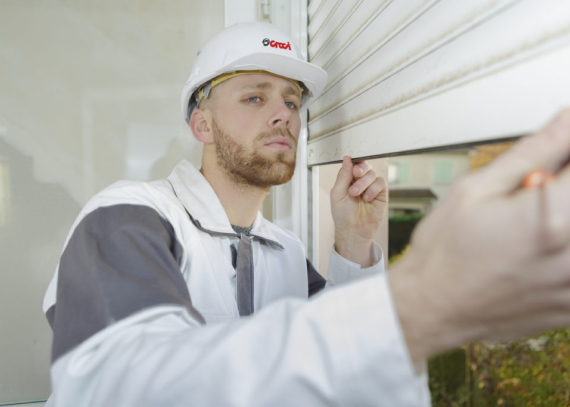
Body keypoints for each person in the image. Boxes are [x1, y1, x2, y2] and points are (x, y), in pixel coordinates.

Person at [42, 21, 570, 406]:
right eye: (254, 97)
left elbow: (347, 372)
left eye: (292, 102)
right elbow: (114, 385)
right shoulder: (130, 215)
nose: (283, 115)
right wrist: (422, 300)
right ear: (201, 125)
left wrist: (354, 243)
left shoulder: (287, 251)